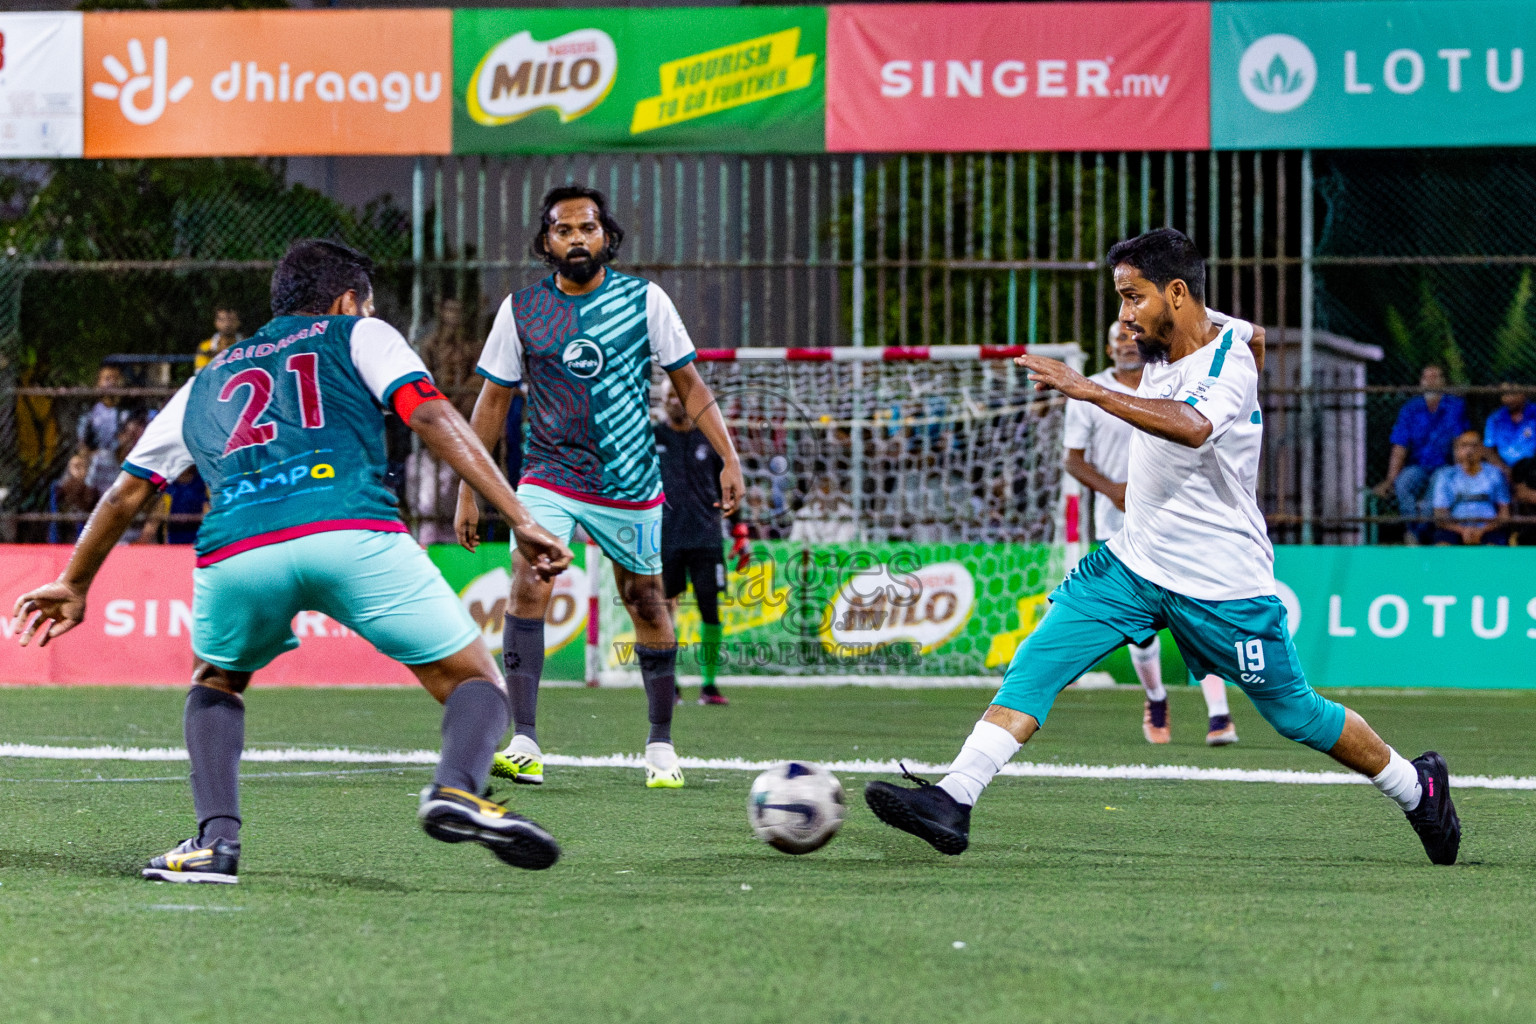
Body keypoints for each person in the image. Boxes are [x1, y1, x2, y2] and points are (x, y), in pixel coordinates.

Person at [864, 229, 1461, 867]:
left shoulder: (1222, 362)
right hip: (1133, 562)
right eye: (1119, 299)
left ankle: (1416, 786)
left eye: (1133, 299)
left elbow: (1194, 427)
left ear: (1175, 294)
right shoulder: (1183, 335)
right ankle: (955, 797)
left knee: (1296, 715)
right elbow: (1255, 334)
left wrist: (1090, 389)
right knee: (1038, 660)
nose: (1123, 318)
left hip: (1220, 582)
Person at [12, 239, 574, 884]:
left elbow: (126, 491)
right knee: (473, 682)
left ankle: (215, 844)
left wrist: (74, 582)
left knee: (216, 681)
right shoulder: (359, 333)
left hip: (237, 551)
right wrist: (520, 517)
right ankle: (455, 789)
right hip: (350, 532)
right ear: (347, 299)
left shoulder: (207, 380)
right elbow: (431, 413)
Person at [455, 186, 743, 790]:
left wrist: (728, 456)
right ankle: (526, 740)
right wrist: (468, 489)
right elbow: (492, 401)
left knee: (644, 600)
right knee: (531, 575)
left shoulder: (645, 300)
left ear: (607, 237)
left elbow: (688, 383)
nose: (577, 238)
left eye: (588, 227)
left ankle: (662, 746)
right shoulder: (521, 310)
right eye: (564, 230)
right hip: (549, 475)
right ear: (546, 243)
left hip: (630, 477)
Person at [1064, 321, 1240, 746]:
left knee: (1199, 613)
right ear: (1108, 351)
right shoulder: (1090, 393)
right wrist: (1113, 491)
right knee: (1139, 626)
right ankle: (1156, 697)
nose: (1127, 343)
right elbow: (1073, 460)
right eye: (1118, 339)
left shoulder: (1168, 382)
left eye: (1132, 336)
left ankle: (1219, 713)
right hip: (1118, 523)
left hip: (1176, 517)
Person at [655, 378, 740, 706]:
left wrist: (740, 530)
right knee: (664, 611)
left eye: (679, 394)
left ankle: (709, 685)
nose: (674, 399)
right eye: (669, 395)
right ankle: (669, 684)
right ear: (663, 401)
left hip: (707, 538)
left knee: (710, 610)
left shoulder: (711, 438)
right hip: (666, 537)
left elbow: (729, 486)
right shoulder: (652, 438)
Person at [1373, 364, 1469, 544]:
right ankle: (1412, 529)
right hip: (1419, 465)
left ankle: (1417, 536)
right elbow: (1400, 446)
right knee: (1403, 483)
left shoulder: (1455, 406)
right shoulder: (1410, 409)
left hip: (1444, 465)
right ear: (1421, 383)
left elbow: (1459, 442)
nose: (1431, 381)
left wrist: (1460, 472)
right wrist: (1390, 479)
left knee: (1435, 488)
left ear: (1443, 382)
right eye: (1426, 377)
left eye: (1436, 377)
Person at [1432, 430, 1510, 546]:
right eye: (1464, 446)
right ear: (1457, 451)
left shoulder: (1495, 474)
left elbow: (1504, 513)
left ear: (1482, 449)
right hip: (1454, 529)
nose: (1469, 450)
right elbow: (1440, 516)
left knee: (1495, 550)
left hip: (1489, 529)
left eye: (1474, 446)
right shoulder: (1445, 476)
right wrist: (1463, 531)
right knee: (1442, 546)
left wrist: (1482, 530)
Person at [76, 364, 131, 455]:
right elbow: (82, 439)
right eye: (107, 379)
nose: (112, 382)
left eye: (116, 378)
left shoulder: (125, 412)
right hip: (93, 458)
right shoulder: (90, 411)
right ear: (98, 383)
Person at [1482, 382, 1536, 471]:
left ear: (1524, 392)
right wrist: (1504, 470)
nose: (1509, 398)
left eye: (1513, 393)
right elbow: (1488, 449)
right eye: (1504, 394)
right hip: (1504, 470)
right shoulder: (1495, 419)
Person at [194, 306, 243, 372]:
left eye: (231, 320)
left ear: (239, 322)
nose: (227, 324)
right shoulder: (205, 347)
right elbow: (199, 373)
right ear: (215, 322)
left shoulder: (247, 344)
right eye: (222, 320)